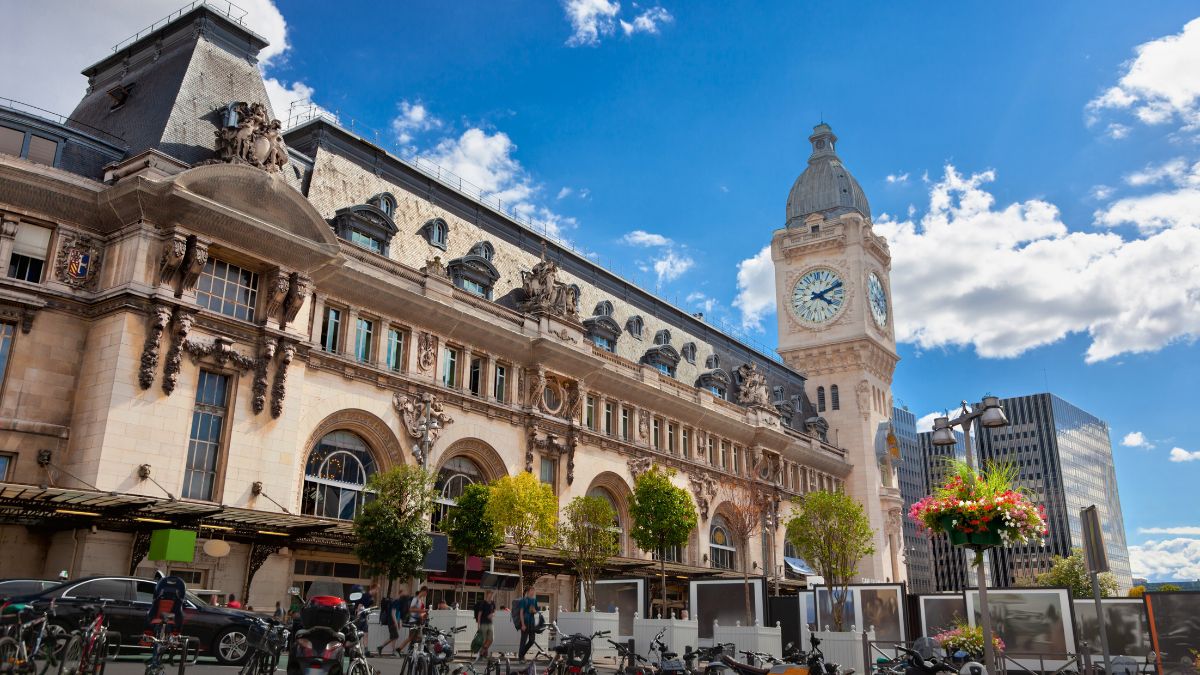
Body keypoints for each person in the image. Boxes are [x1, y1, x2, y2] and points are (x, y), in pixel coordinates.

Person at [142, 575, 187, 672]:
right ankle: (155, 660)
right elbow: (153, 609)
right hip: (159, 620)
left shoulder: (177, 603)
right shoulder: (158, 601)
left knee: (161, 641)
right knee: (158, 640)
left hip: (171, 619)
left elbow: (179, 612)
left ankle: (156, 661)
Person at [393, 587, 429, 656]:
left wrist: (422, 614)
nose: (426, 595)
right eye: (426, 593)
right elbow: (411, 609)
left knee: (415, 638)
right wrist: (423, 610)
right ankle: (399, 649)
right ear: (424, 591)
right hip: (413, 621)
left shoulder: (419, 600)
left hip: (416, 621)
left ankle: (411, 652)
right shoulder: (416, 599)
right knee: (412, 637)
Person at [472, 590, 496, 661]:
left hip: (490, 623)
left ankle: (482, 653)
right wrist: (478, 625)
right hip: (483, 623)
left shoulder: (493, 603)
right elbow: (479, 615)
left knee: (491, 639)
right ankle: (482, 655)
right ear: (487, 595)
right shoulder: (483, 603)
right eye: (490, 595)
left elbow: (494, 611)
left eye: (492, 595)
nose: (491, 596)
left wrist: (492, 614)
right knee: (484, 640)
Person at [516, 587, 538, 662]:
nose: (533, 592)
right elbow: (521, 613)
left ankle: (522, 654)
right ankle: (521, 657)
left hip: (532, 623)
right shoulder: (523, 600)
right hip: (525, 622)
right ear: (528, 591)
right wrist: (522, 624)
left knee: (532, 640)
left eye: (534, 591)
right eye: (532, 590)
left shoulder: (534, 600)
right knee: (523, 641)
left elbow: (536, 611)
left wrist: (534, 611)